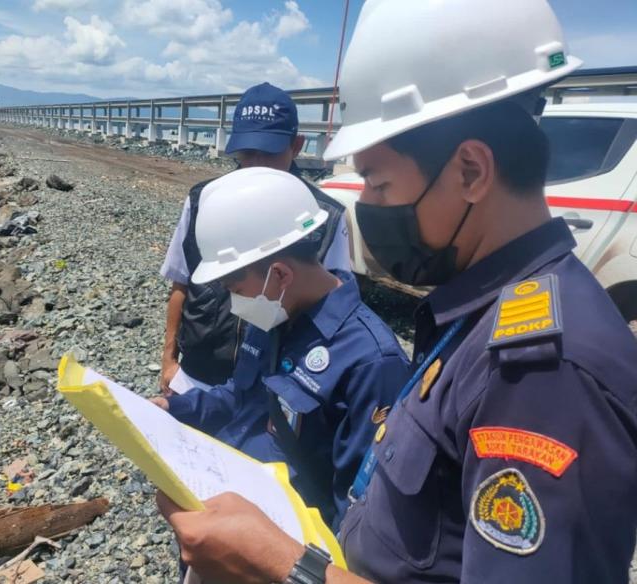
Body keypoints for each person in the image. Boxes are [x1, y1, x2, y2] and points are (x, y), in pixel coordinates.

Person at [155, 0, 637, 582]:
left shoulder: (544, 374)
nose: (370, 209)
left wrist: (281, 565)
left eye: (379, 183)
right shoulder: (479, 313)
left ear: (471, 172)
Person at [152, 166, 408, 528]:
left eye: (234, 290)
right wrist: (173, 408)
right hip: (228, 499)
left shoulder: (372, 362)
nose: (231, 302)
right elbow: (241, 399)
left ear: (281, 275)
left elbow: (357, 504)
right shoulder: (274, 313)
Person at [159, 82, 351, 396]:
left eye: (270, 152)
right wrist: (169, 360)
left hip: (269, 389)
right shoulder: (202, 200)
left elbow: (336, 308)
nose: (257, 164)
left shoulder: (326, 217)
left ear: (297, 146)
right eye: (248, 153)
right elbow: (180, 282)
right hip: (193, 377)